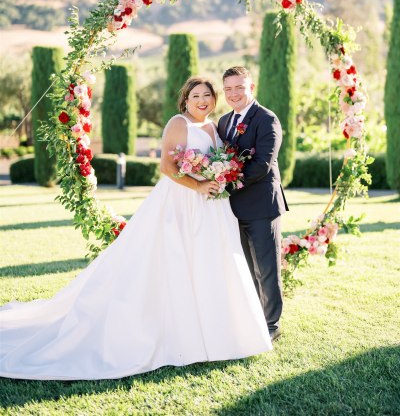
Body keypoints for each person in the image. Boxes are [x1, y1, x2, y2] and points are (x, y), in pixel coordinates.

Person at [0, 76, 272, 381]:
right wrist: (198, 185)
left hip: (212, 207)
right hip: (181, 201)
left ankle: (215, 330)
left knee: (209, 263)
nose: (202, 101)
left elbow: (223, 159)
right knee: (172, 260)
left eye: (207, 95)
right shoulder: (178, 123)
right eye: (196, 95)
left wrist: (219, 177)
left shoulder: (213, 126)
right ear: (185, 99)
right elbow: (167, 168)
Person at [218, 67, 288, 342]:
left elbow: (262, 165)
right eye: (228, 89)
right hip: (233, 209)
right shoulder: (224, 121)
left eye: (239, 87)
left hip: (261, 207)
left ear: (251, 87)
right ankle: (251, 316)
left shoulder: (267, 119)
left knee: (267, 268)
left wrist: (227, 183)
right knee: (245, 267)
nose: (234, 94)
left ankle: (271, 324)